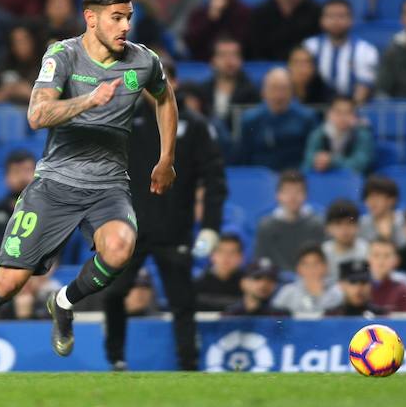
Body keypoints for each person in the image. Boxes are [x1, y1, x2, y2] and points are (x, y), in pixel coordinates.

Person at [0, 0, 177, 379]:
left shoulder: (143, 61)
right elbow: (36, 114)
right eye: (116, 18)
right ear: (91, 18)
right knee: (8, 283)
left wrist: (166, 158)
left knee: (119, 249)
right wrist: (88, 100)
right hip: (55, 185)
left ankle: (64, 300)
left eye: (128, 17)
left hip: (107, 185)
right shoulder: (62, 55)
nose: (125, 26)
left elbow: (166, 98)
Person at [104, 59, 227, 371]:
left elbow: (214, 179)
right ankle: (116, 359)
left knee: (182, 302)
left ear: (174, 81)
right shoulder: (125, 121)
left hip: (175, 228)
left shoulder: (195, 125)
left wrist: (210, 226)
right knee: (114, 292)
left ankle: (188, 365)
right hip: (129, 228)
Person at [237, 68, 318, 171]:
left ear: (292, 92)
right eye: (273, 88)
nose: (279, 95)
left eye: (284, 88)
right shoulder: (250, 119)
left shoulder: (307, 117)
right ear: (263, 91)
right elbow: (243, 158)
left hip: (296, 179)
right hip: (260, 179)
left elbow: (312, 155)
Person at [302, 0, 379, 103]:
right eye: (330, 16)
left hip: (351, 110)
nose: (336, 21)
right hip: (313, 108)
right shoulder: (309, 47)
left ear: (351, 20)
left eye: (341, 16)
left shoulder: (365, 50)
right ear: (322, 20)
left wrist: (346, 112)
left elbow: (364, 87)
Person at [254, 170, 326, 272]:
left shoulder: (318, 224)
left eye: (298, 191)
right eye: (287, 191)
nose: (292, 197)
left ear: (306, 195)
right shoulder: (266, 226)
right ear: (278, 195)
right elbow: (260, 261)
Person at [184, 0, 251, 60]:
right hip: (204, 63)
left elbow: (247, 45)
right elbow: (191, 44)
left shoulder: (244, 13)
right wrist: (210, 19)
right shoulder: (199, 13)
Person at [302, 96, 374, 174]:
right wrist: (317, 161)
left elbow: (360, 165)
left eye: (348, 112)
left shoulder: (363, 134)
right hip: (323, 178)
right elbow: (308, 162)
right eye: (338, 112)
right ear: (329, 114)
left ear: (354, 115)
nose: (343, 117)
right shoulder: (318, 133)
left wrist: (331, 160)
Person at [195, 36, 259, 124]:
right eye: (223, 55)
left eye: (234, 55)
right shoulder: (202, 91)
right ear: (212, 61)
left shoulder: (251, 92)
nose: (229, 60)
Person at [272, 244, 343, 316]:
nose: (311, 269)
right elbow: (275, 321)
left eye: (316, 264)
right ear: (298, 268)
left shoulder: (336, 292)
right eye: (305, 264)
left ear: (325, 267)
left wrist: (319, 294)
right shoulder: (287, 291)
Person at [0, 25, 42, 105]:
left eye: (25, 40)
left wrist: (28, 92)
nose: (22, 45)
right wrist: (6, 91)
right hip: (6, 113)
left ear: (33, 42)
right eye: (17, 42)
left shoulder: (44, 65)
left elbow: (50, 102)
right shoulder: (3, 66)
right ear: (12, 46)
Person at [223, 257, 289, 316]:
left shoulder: (280, 316)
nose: (264, 284)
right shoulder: (231, 315)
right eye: (257, 278)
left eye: (270, 279)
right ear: (243, 282)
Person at [194, 234, 244, 312]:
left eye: (232, 252)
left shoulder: (248, 283)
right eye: (221, 251)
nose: (226, 257)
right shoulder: (199, 283)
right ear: (212, 255)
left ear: (240, 257)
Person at [321, 199, 369, 280]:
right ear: (328, 228)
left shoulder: (368, 251)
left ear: (358, 226)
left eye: (350, 223)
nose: (345, 229)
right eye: (338, 224)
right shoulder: (322, 254)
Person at [367, 238, 406, 312]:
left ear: (396, 260)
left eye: (387, 256)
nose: (381, 261)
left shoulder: (405, 292)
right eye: (376, 255)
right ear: (368, 259)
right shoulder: (358, 289)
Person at [359, 176, 406, 246]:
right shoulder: (362, 223)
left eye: (377, 196)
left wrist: (388, 237)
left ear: (392, 199)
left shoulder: (405, 221)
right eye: (368, 197)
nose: (372, 202)